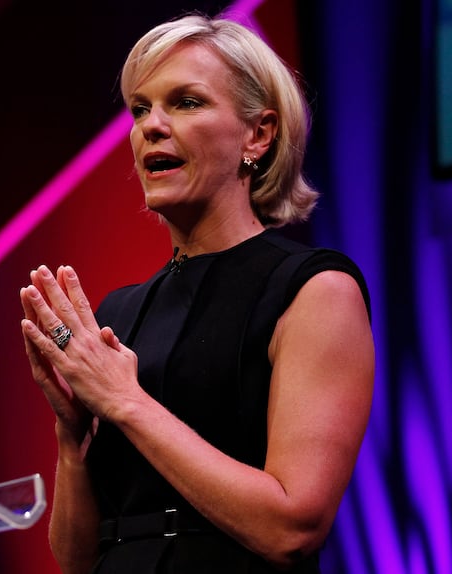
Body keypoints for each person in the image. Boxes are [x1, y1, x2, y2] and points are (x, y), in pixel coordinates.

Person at [19, 12, 374, 574]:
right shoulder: (118, 316)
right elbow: (78, 558)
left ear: (258, 134)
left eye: (185, 102)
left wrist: (126, 402)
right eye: (140, 109)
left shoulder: (314, 290)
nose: (151, 127)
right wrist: (71, 436)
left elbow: (293, 527)